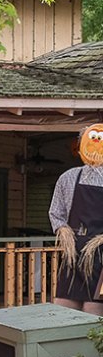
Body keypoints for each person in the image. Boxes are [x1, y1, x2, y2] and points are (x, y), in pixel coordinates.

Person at [50, 124, 103, 315]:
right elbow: (56, 213)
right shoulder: (69, 177)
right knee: (63, 308)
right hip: (74, 253)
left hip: (101, 254)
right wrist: (63, 232)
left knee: (94, 310)